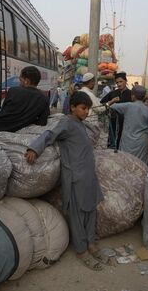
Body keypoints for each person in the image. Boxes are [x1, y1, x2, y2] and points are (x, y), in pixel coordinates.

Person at [25, 91, 105, 271]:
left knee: (90, 209)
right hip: (75, 177)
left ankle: (91, 243)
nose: (86, 112)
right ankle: (81, 250)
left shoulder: (80, 124)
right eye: (83, 108)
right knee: (78, 214)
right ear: (73, 107)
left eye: (88, 109)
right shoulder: (67, 123)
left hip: (88, 176)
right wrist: (35, 149)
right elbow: (48, 135)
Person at [0, 66, 49, 132]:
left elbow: (4, 112)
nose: (19, 82)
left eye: (20, 79)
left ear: (26, 81)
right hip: (13, 128)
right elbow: (42, 122)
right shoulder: (44, 99)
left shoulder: (14, 90)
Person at [107, 85, 148, 164]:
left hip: (128, 142)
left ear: (133, 96)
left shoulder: (127, 106)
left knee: (126, 164)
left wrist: (113, 100)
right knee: (140, 165)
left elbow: (110, 106)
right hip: (142, 143)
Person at [100, 72, 132, 149]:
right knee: (112, 142)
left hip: (126, 122)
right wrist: (110, 103)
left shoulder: (131, 94)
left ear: (126, 81)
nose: (119, 84)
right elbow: (102, 103)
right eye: (117, 82)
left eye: (121, 81)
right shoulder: (113, 93)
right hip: (113, 121)